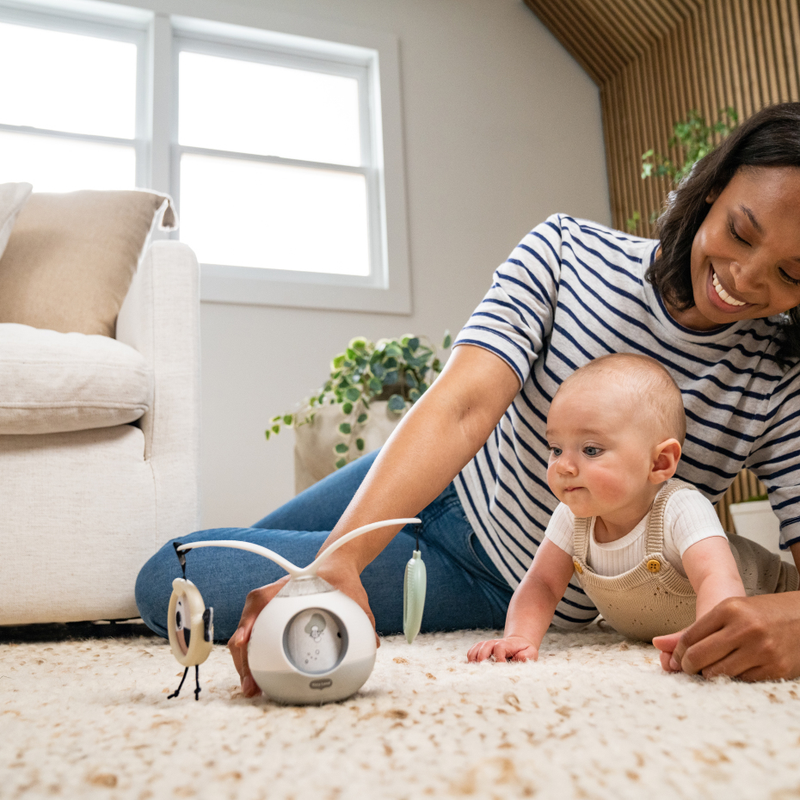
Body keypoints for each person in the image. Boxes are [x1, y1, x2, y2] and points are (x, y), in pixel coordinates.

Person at [135, 102, 800, 692]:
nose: (744, 279)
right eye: (741, 233)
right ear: (711, 190)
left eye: (791, 273)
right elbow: (460, 407)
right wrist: (341, 559)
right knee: (264, 572)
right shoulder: (566, 251)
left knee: (170, 573)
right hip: (437, 473)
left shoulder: (779, 377)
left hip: (492, 574)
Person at [467, 353, 798, 664]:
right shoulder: (573, 516)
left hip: (779, 599)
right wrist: (518, 637)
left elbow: (718, 578)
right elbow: (542, 583)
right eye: (555, 448)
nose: (564, 466)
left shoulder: (681, 507)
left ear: (659, 462)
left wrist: (707, 638)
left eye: (591, 450)